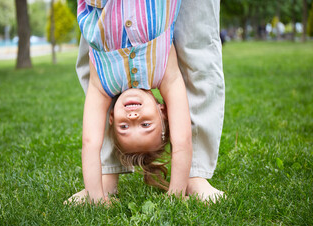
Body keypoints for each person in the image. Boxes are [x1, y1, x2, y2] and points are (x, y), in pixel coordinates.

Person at [66, 0, 225, 204]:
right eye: (145, 125)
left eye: (125, 126)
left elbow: (90, 142)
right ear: (163, 111)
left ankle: (106, 174)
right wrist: (175, 194)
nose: (133, 116)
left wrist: (96, 197)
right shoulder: (165, 74)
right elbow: (182, 140)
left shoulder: (102, 86)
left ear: (112, 117)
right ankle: (191, 176)